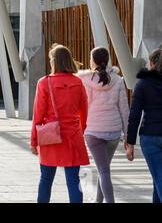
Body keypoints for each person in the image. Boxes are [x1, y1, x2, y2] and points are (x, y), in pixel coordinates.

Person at [30, 44, 89, 203]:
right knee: (74, 181)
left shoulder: (44, 82)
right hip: (72, 136)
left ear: (54, 62)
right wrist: (80, 130)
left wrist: (34, 140)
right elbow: (84, 111)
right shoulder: (77, 82)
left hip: (51, 136)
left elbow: (38, 114)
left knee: (46, 179)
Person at [78, 47, 129, 203]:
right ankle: (98, 200)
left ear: (93, 61)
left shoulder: (85, 80)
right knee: (104, 168)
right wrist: (128, 135)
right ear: (107, 61)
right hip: (113, 132)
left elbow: (80, 105)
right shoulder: (118, 80)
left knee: (103, 170)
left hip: (93, 130)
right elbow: (124, 110)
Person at [126, 48, 162, 203]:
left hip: (149, 136)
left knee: (159, 179)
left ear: (152, 63)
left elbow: (134, 115)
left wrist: (130, 143)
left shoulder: (142, 84)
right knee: (157, 179)